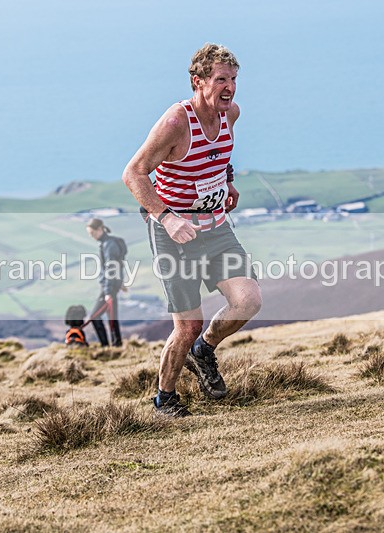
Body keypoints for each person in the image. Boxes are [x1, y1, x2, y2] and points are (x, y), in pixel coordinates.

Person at [122, 43, 262, 417]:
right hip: (174, 234)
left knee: (248, 301)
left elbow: (221, 156)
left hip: (216, 227)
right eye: (220, 79)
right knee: (187, 325)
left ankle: (205, 351)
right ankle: (165, 399)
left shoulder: (230, 112)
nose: (229, 87)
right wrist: (166, 216)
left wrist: (227, 183)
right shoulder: (175, 122)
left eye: (233, 79)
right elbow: (133, 173)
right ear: (198, 82)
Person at [85, 218, 126, 347]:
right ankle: (116, 345)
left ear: (100, 229)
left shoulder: (109, 245)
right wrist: (120, 283)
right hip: (113, 285)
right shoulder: (107, 243)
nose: (92, 237)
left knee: (94, 316)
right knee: (112, 316)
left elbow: (111, 267)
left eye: (92, 233)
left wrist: (108, 291)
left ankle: (105, 346)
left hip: (109, 287)